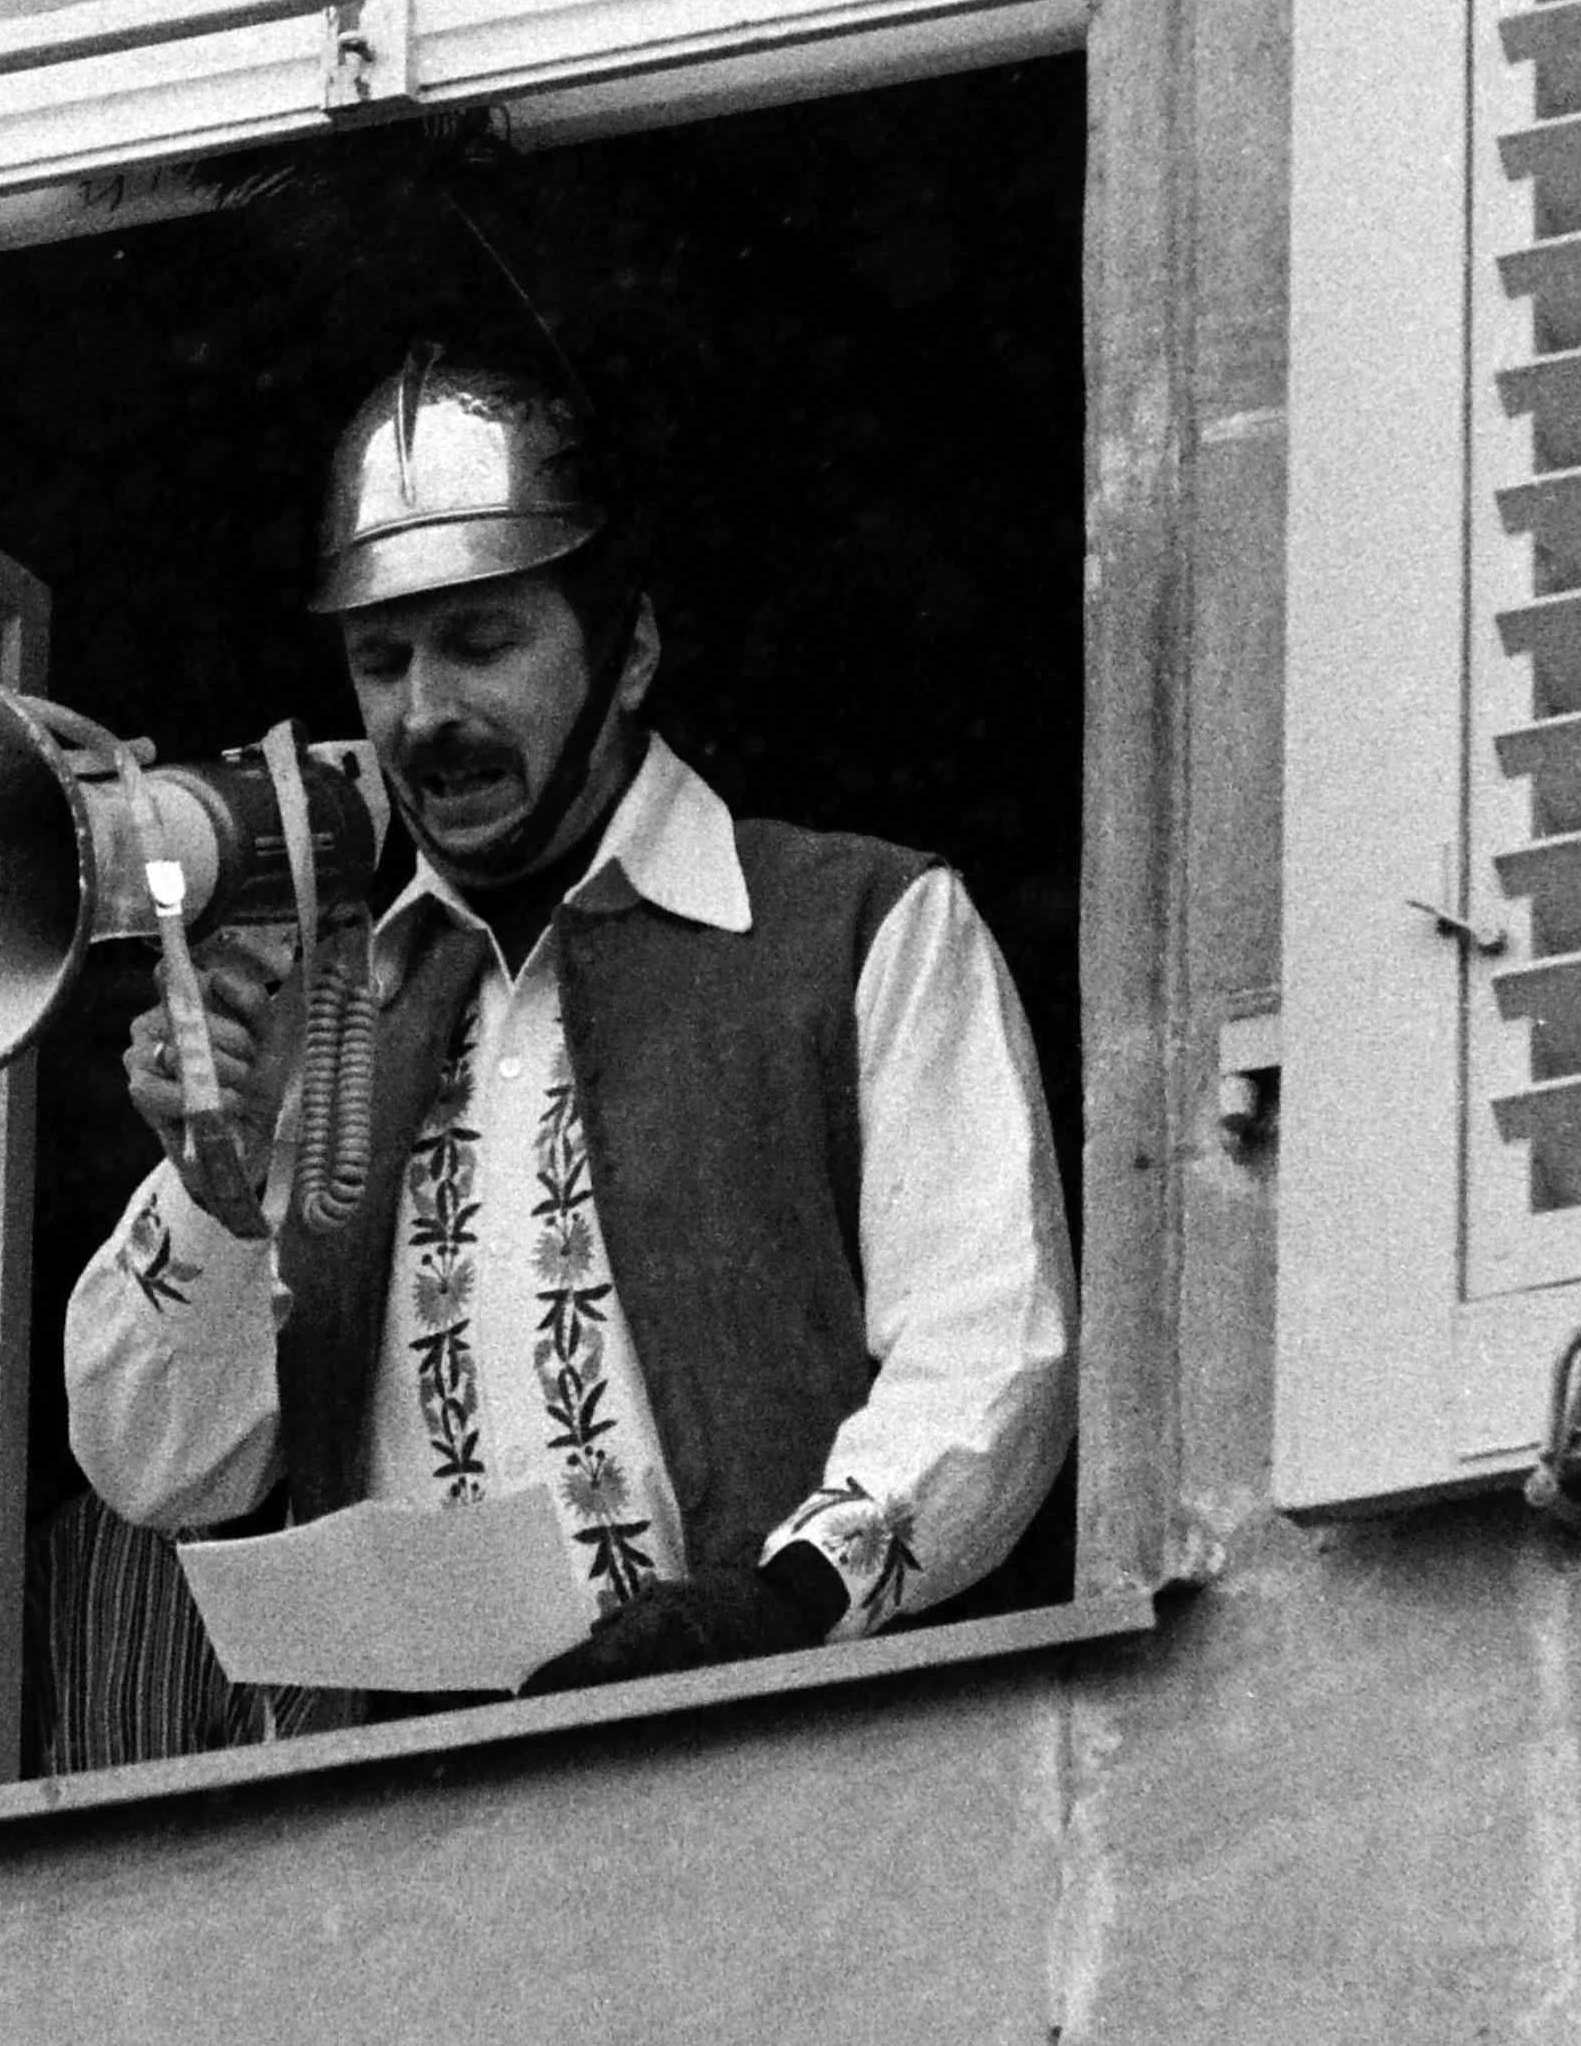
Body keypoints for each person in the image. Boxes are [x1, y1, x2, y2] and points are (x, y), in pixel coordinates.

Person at [64, 348, 1074, 1691]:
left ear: (630, 646)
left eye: (482, 642)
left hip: (800, 1781)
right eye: (382, 659)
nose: (427, 712)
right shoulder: (327, 1020)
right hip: (415, 1844)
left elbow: (991, 1354)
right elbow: (154, 1459)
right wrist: (215, 1190)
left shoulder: (863, 924)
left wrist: (776, 1605)